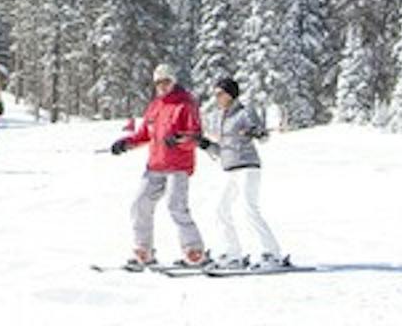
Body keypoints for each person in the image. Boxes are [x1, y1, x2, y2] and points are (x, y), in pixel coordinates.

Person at [109, 63, 207, 268]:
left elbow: (195, 136)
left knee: (175, 205)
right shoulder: (155, 106)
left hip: (178, 166)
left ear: (173, 81)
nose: (162, 86)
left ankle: (194, 251)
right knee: (139, 204)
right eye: (158, 82)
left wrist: (179, 140)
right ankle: (143, 250)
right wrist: (125, 143)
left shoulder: (185, 104)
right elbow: (144, 134)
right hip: (155, 165)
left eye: (166, 81)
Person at [198, 76, 286, 269]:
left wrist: (256, 133)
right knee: (220, 209)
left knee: (249, 209)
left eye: (220, 93)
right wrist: (205, 145)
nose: (217, 97)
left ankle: (273, 254)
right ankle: (233, 254)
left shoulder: (245, 112)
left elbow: (262, 135)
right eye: (216, 94)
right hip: (229, 169)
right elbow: (222, 151)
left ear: (231, 94)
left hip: (247, 166)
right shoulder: (221, 117)